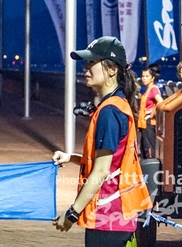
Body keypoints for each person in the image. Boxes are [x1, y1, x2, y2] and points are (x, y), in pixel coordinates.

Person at [52, 36, 151, 247]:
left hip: (108, 219)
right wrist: (71, 157)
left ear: (112, 69)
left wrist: (72, 213)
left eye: (92, 62)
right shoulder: (118, 104)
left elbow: (101, 171)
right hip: (119, 217)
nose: (85, 68)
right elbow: (111, 162)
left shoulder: (109, 112)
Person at [138, 65, 163, 159]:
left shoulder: (153, 89)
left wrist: (151, 115)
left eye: (147, 76)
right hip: (144, 123)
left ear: (152, 78)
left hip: (149, 123)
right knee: (144, 148)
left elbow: (160, 101)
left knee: (149, 149)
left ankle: (151, 165)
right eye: (143, 76)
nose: (144, 78)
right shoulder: (148, 89)